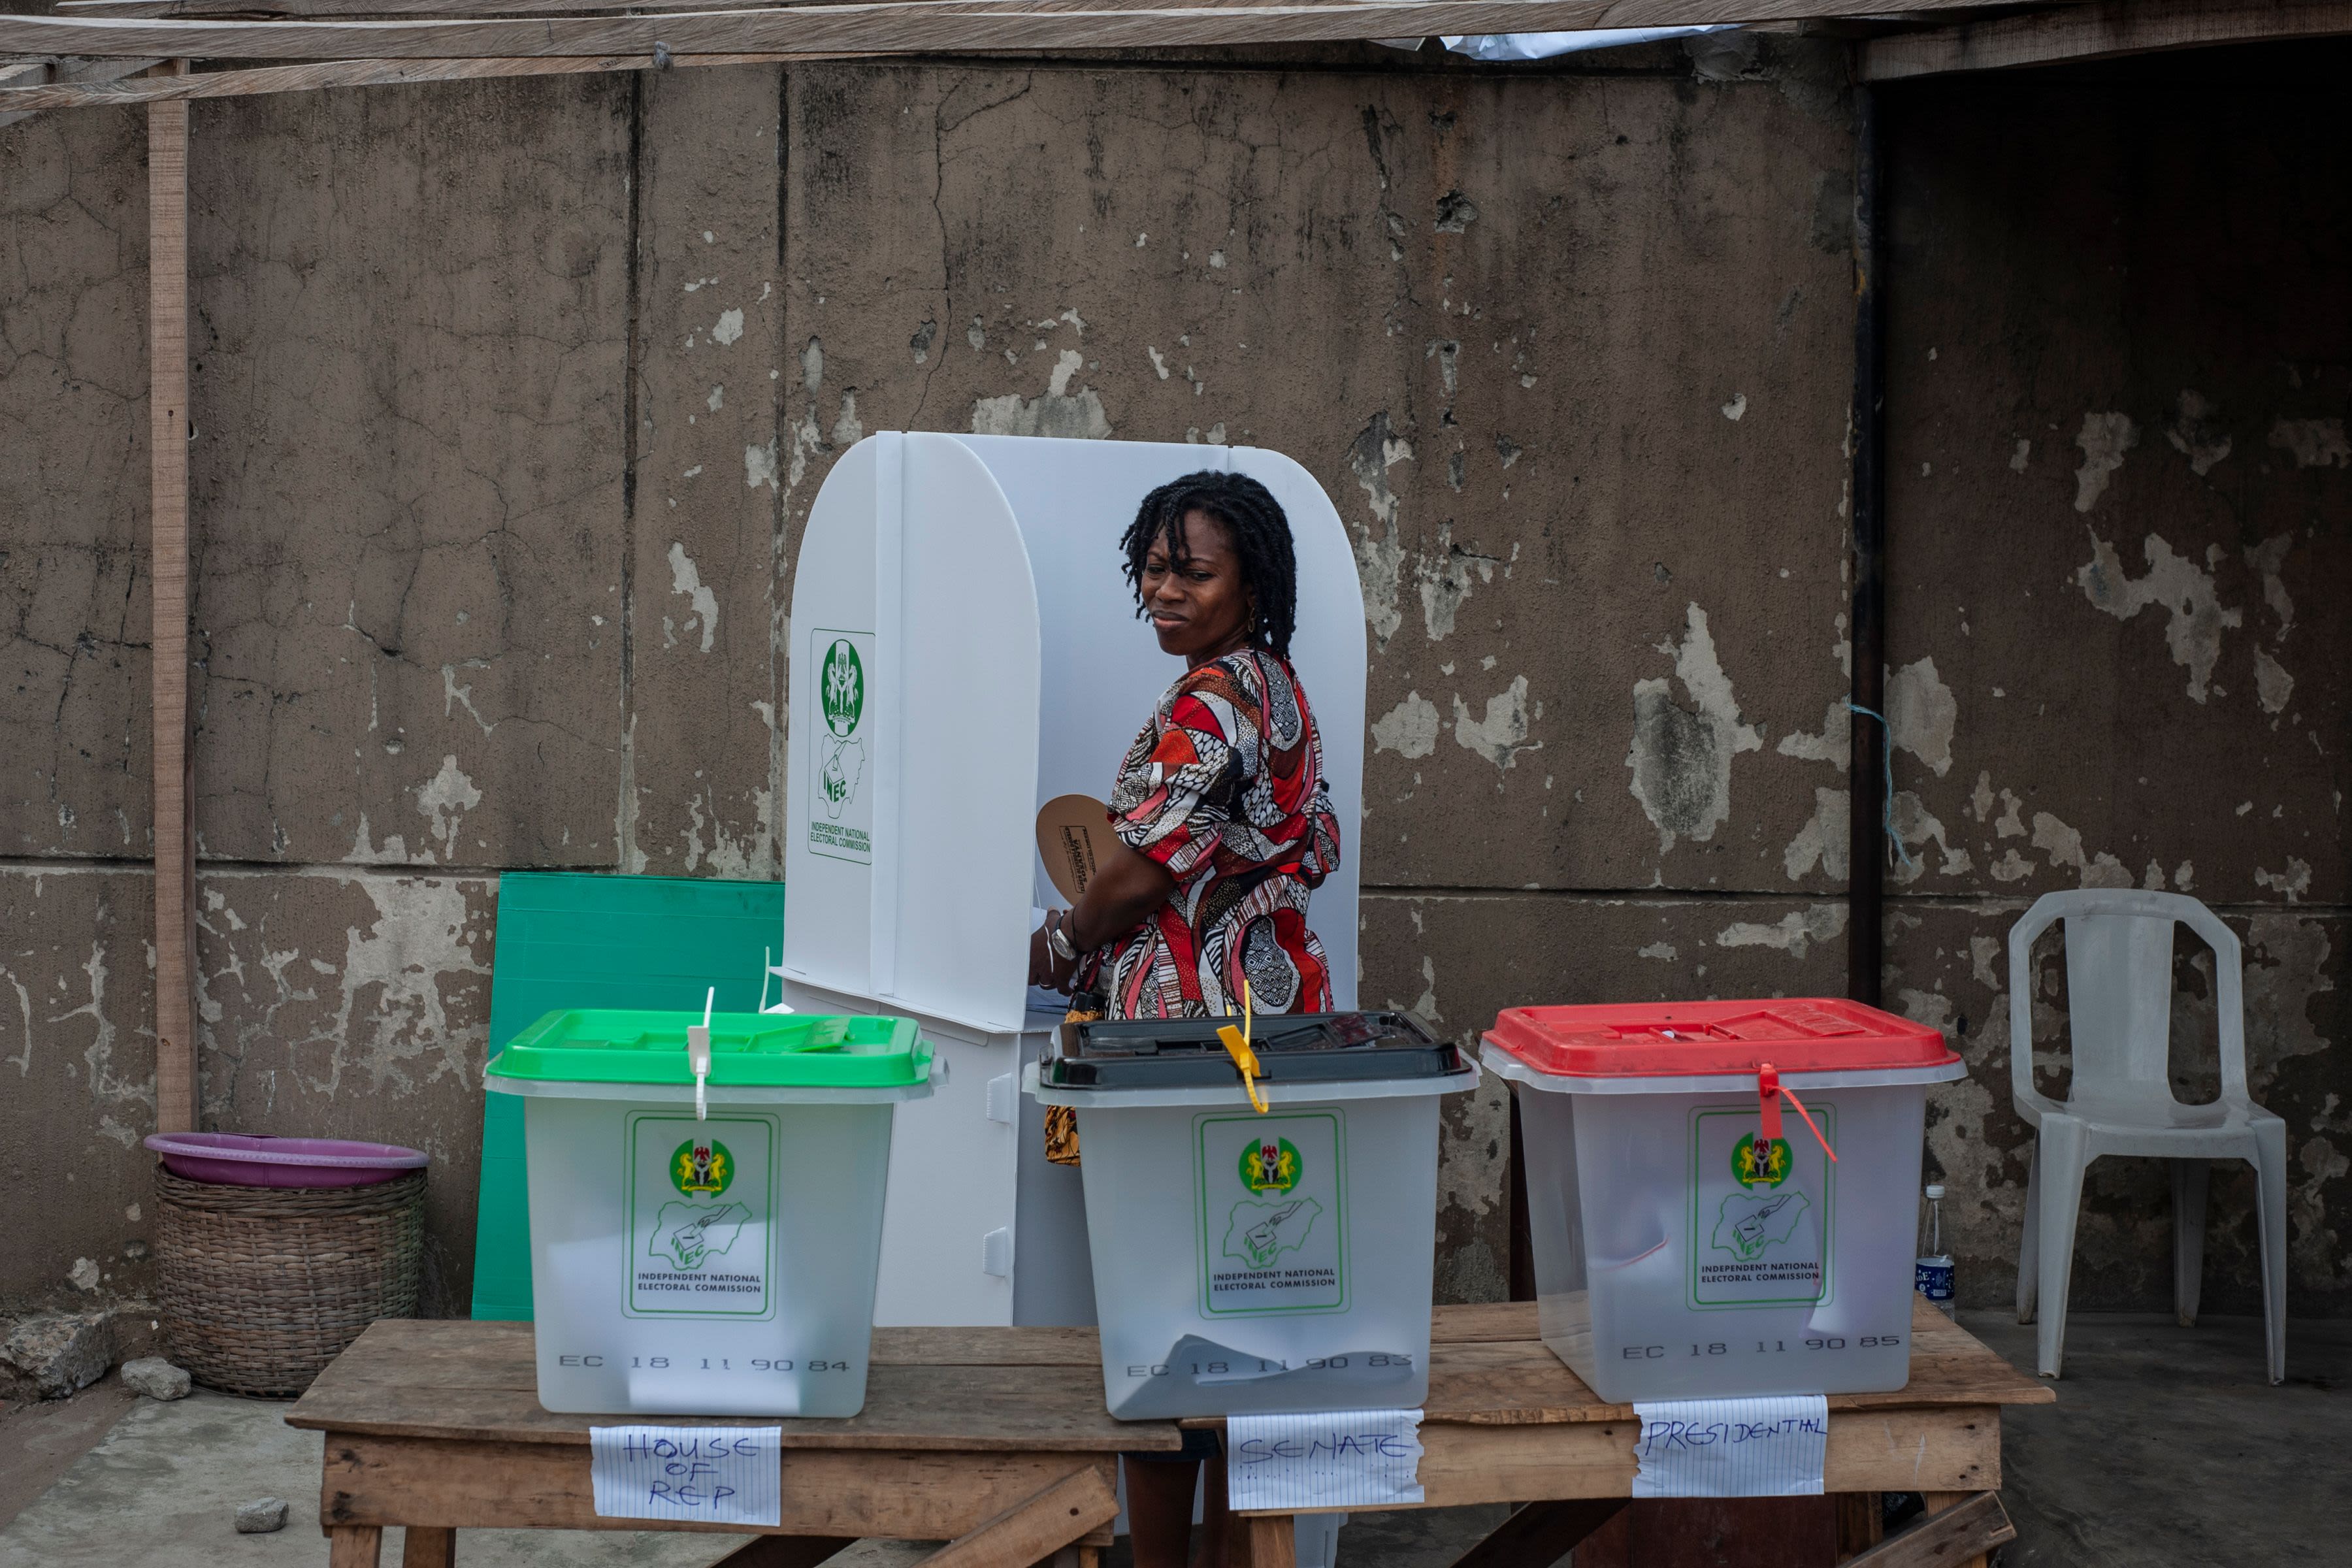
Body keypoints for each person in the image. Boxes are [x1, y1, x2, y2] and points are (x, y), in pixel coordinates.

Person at [1028, 469, 1341, 1568]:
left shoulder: (1216, 701)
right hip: (1268, 1034)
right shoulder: (1277, 688)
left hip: (1183, 1048)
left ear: (1250, 582)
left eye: (1192, 572)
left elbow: (1143, 873)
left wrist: (1058, 942)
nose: (1165, 590)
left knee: (1163, 1330)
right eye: (1154, 569)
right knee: (1239, 1317)